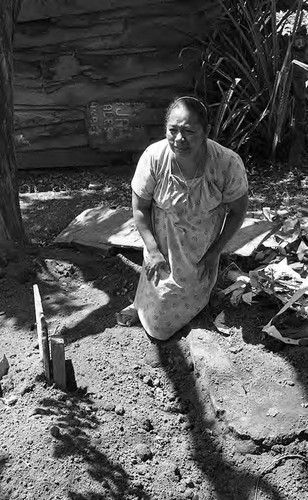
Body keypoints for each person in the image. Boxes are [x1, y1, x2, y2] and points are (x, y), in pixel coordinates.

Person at [116, 96, 248, 340]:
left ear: (206, 131)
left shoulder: (226, 163)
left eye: (188, 131)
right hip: (162, 246)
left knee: (176, 313)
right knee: (158, 314)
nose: (179, 139)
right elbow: (139, 209)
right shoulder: (154, 157)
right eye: (173, 130)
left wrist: (215, 251)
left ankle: (190, 309)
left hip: (200, 251)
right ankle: (142, 306)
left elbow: (238, 211)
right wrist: (153, 250)